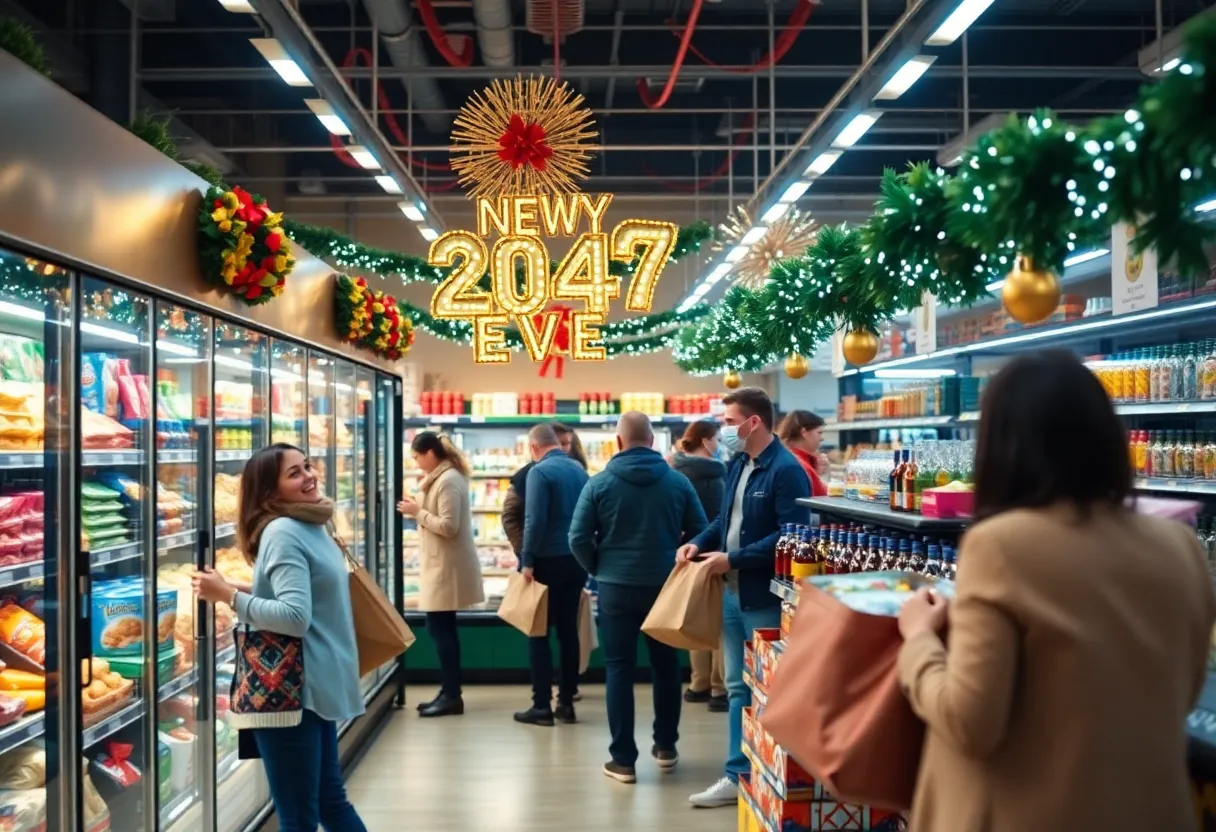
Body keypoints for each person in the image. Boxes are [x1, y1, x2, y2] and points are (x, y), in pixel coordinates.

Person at [897, 350, 1215, 832]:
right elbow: (1182, 688)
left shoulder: (1002, 545)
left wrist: (918, 638)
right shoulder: (1180, 545)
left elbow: (970, 723)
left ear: (1000, 444)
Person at [192, 444, 367, 832]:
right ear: (270, 494)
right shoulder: (313, 525)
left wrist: (229, 597)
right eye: (296, 472)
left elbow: (294, 617)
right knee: (329, 804)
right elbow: (303, 594)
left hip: (293, 689)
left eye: (305, 467)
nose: (309, 476)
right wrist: (234, 586)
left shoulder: (283, 531)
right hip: (320, 682)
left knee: (297, 818)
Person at [677, 388, 810, 808]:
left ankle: (772, 775)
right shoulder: (736, 463)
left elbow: (791, 534)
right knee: (737, 687)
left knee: (768, 689)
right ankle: (738, 773)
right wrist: (698, 544)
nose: (725, 428)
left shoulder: (786, 470)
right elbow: (723, 519)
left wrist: (733, 557)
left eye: (731, 420)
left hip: (763, 596)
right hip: (732, 593)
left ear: (754, 422)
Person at [569, 412, 708, 783]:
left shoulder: (599, 484)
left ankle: (623, 760)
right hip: (664, 587)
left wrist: (599, 566)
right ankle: (666, 747)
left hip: (615, 588)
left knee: (619, 669)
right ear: (652, 440)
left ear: (618, 441)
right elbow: (700, 532)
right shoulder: (678, 482)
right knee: (666, 667)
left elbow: (577, 537)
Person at [396, 431, 485, 718]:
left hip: (447, 569)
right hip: (441, 566)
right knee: (441, 629)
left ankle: (451, 695)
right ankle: (448, 691)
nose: (416, 462)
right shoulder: (441, 478)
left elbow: (449, 526)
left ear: (430, 454)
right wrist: (418, 508)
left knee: (441, 630)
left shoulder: (448, 482)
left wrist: (416, 511)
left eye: (417, 456)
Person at [502, 421, 588, 701]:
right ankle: (567, 699)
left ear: (534, 447)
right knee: (568, 631)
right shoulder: (579, 470)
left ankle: (541, 705)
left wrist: (527, 560)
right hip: (575, 560)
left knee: (537, 631)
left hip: (546, 561)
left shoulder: (539, 471)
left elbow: (534, 520)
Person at [670, 419, 728, 712]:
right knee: (717, 622)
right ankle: (719, 688)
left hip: (686, 551)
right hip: (715, 553)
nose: (719, 443)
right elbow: (723, 518)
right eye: (717, 438)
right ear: (706, 441)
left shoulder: (675, 471)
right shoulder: (718, 475)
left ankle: (698, 683)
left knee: (694, 617)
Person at [777, 410, 830, 497]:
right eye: (819, 433)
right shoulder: (801, 466)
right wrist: (823, 476)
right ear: (804, 432)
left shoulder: (783, 456)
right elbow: (823, 500)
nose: (822, 438)